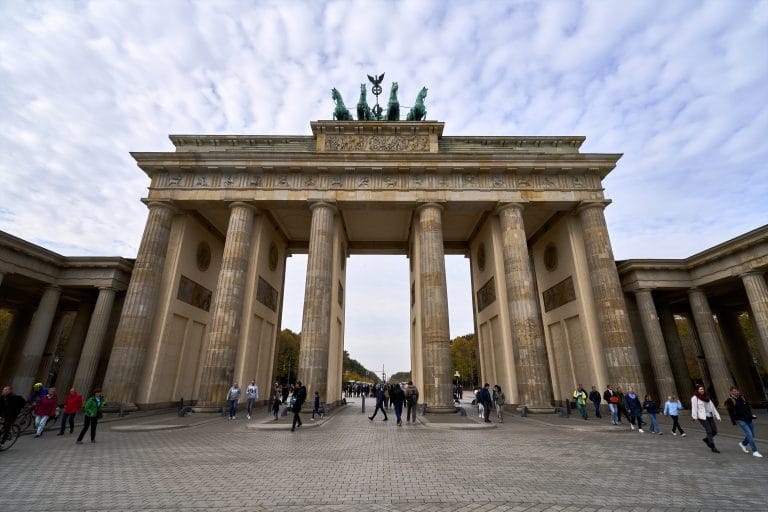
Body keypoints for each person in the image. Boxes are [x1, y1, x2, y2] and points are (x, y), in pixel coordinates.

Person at [725, 386, 762, 457]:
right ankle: (755, 451)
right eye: (734, 391)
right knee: (749, 434)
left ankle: (743, 444)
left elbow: (748, 407)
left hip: (748, 418)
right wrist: (734, 421)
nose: (736, 392)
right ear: (731, 392)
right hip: (740, 419)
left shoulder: (742, 397)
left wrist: (751, 415)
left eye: (737, 391)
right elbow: (731, 412)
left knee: (752, 434)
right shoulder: (730, 400)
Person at [691, 384, 721, 453]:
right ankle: (713, 447)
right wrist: (694, 416)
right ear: (697, 390)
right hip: (702, 417)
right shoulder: (695, 398)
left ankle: (707, 439)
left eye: (703, 389)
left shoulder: (707, 397)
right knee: (709, 431)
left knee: (714, 431)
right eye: (700, 389)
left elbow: (712, 407)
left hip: (709, 415)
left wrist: (717, 416)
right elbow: (694, 408)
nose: (702, 390)